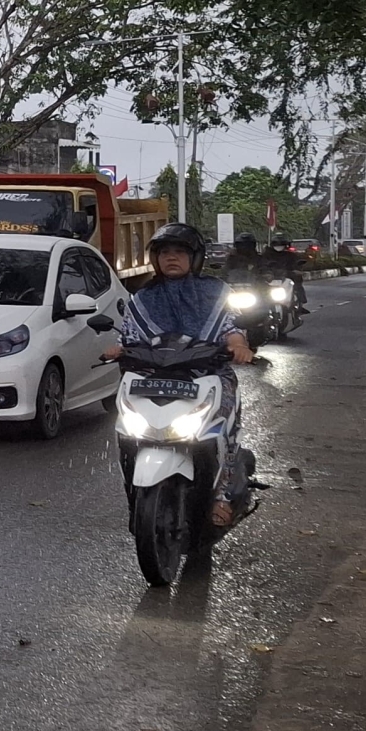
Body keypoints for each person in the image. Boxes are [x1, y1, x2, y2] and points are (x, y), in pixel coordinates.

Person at [101, 223, 259, 526]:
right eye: (164, 253)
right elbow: (129, 338)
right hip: (152, 377)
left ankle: (221, 495)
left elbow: (231, 328)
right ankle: (134, 493)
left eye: (179, 252)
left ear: (195, 257)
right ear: (155, 258)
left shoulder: (216, 292)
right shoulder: (141, 298)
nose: (171, 258)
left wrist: (238, 345)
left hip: (206, 374)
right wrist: (117, 350)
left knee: (223, 430)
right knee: (125, 429)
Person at [262, 234, 309, 311]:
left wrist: (297, 270)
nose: (278, 246)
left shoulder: (290, 255)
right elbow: (261, 265)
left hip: (288, 276)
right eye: (276, 244)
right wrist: (264, 272)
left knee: (297, 282)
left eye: (281, 244)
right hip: (270, 277)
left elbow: (297, 263)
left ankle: (299, 301)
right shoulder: (266, 255)